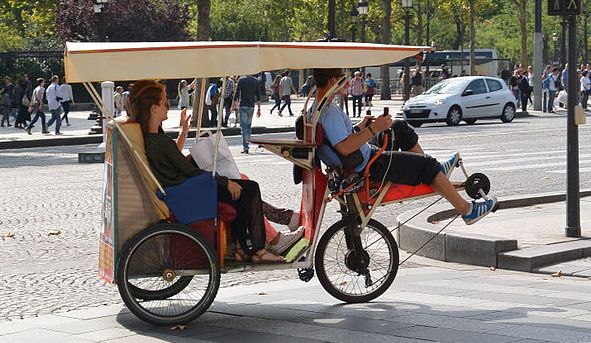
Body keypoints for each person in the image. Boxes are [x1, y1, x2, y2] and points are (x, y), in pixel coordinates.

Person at [313, 68, 497, 225]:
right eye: (343, 77)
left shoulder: (318, 107)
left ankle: (438, 173)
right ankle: (467, 210)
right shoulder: (329, 113)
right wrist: (374, 129)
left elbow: (339, 139)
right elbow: (344, 147)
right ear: (332, 81)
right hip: (367, 163)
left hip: (358, 156)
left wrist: (361, 126)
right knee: (427, 164)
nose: (346, 81)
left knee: (398, 128)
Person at [129, 79, 283, 263]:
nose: (168, 108)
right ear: (154, 108)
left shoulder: (154, 138)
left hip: (185, 188)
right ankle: (258, 250)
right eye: (164, 103)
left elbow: (174, 161)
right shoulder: (158, 141)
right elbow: (188, 170)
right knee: (250, 189)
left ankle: (242, 249)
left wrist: (184, 132)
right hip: (189, 191)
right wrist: (225, 182)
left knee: (241, 190)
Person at [234, 73, 262, 154]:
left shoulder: (241, 80)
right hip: (251, 106)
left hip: (243, 105)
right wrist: (259, 109)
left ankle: (246, 146)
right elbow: (258, 95)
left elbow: (236, 93)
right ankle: (247, 143)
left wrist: (233, 104)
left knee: (244, 126)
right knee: (248, 126)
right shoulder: (255, 81)